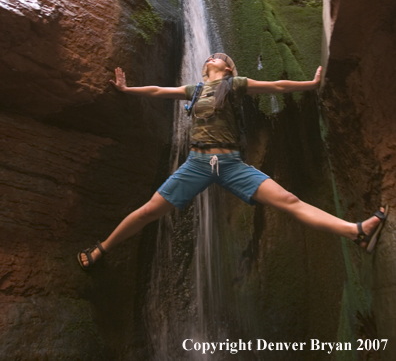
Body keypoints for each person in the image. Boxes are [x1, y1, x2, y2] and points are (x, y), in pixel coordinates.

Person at [77, 53, 388, 268]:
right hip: (197, 164)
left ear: (227, 70)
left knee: (289, 200)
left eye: (220, 58)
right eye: (211, 58)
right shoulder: (195, 90)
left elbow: (275, 87)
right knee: (148, 211)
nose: (212, 57)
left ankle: (355, 232)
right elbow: (159, 91)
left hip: (232, 165)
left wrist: (310, 84)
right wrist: (127, 89)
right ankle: (102, 249)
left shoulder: (234, 85)